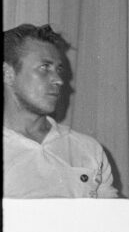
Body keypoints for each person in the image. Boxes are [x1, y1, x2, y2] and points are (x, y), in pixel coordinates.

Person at [3, 23, 118, 198]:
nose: (59, 80)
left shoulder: (88, 149)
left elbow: (112, 220)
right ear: (8, 73)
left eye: (58, 70)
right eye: (44, 68)